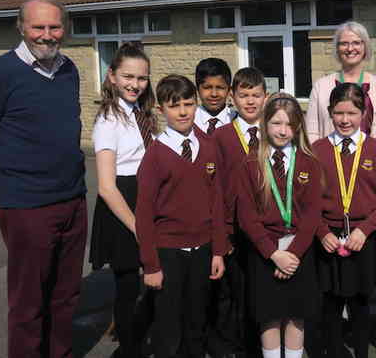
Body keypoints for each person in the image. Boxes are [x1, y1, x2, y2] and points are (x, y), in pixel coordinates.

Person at [0, 0, 87, 358]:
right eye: (38, 27)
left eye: (54, 26)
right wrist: (8, 187)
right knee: (29, 302)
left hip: (73, 200)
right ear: (21, 27)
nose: (47, 34)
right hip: (26, 207)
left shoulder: (69, 70)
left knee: (66, 295)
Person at [135, 74, 228, 358]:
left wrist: (219, 251)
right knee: (168, 325)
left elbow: (217, 201)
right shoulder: (155, 155)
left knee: (197, 321)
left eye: (189, 104)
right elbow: (144, 214)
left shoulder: (208, 146)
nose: (184, 111)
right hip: (168, 252)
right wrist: (150, 265)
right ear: (161, 109)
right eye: (175, 106)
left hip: (203, 250)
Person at [235, 93, 323, 358]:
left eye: (289, 124)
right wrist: (273, 254)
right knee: (269, 317)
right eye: (276, 123)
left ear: (298, 127)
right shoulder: (250, 163)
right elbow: (246, 215)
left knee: (297, 316)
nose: (283, 131)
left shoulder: (309, 162)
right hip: (265, 253)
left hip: (299, 251)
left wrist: (293, 254)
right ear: (265, 124)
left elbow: (312, 214)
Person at [312, 83, 376, 358]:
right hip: (329, 239)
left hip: (364, 237)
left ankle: (361, 352)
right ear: (329, 113)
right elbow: (307, 200)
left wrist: (366, 229)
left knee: (362, 303)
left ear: (364, 113)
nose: (345, 120)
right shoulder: (318, 150)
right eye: (338, 113)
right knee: (330, 305)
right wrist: (321, 231)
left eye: (352, 112)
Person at [88, 42, 156, 358]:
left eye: (142, 78)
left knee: (154, 281)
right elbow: (106, 186)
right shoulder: (108, 120)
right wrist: (137, 226)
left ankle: (140, 339)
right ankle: (129, 350)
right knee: (128, 287)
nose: (135, 84)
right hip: (123, 207)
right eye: (128, 76)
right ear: (112, 75)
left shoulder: (141, 113)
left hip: (145, 198)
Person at [211, 67, 268, 358]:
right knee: (232, 292)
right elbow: (216, 188)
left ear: (265, 98)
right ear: (232, 98)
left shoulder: (275, 133)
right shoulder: (220, 137)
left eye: (256, 95)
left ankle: (261, 345)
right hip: (233, 230)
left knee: (261, 292)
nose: (250, 101)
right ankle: (231, 346)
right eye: (243, 95)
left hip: (267, 229)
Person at [306, 21, 376, 150]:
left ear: (365, 46)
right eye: (344, 43)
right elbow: (312, 132)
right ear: (337, 48)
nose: (350, 49)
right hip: (330, 163)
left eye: (356, 43)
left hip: (371, 163)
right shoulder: (321, 86)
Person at [194, 57, 235, 137]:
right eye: (207, 87)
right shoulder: (188, 122)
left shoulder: (238, 121)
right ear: (197, 89)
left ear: (229, 90)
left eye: (220, 87)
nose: (214, 94)